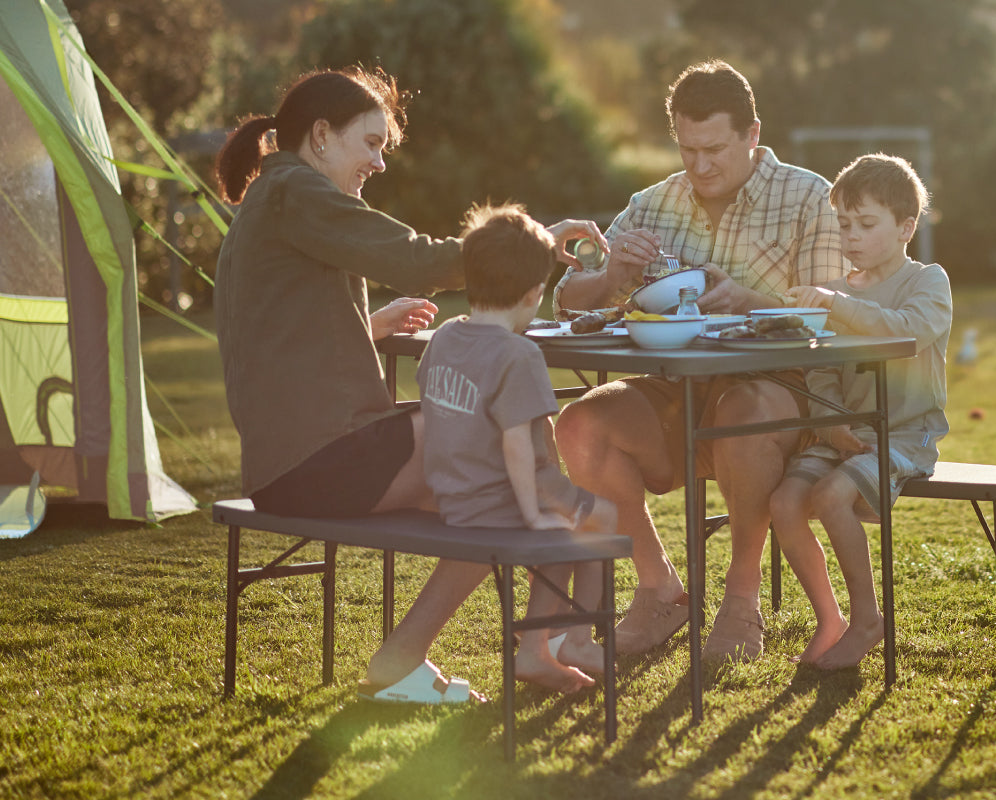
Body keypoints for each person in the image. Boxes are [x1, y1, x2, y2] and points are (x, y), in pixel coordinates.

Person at [213, 65, 605, 703]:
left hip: (289, 463)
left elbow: (264, 335)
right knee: (507, 459)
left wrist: (362, 326)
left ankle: (537, 643)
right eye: (370, 143)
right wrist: (526, 248)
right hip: (315, 463)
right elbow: (415, 258)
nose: (379, 162)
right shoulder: (297, 195)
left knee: (506, 480)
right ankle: (525, 643)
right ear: (320, 136)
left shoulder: (275, 199)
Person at [551, 60, 847, 663]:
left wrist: (749, 300)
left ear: (752, 134)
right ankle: (660, 590)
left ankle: (741, 600)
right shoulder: (652, 202)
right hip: (672, 390)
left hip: (778, 394)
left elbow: (829, 318)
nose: (700, 165)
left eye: (714, 149)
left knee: (740, 412)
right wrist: (613, 274)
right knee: (580, 425)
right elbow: (569, 301)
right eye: (688, 150)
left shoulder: (809, 196)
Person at [413, 202, 618, 695]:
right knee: (600, 517)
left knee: (567, 525)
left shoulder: (443, 338)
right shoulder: (518, 353)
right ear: (534, 294)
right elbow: (518, 449)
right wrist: (532, 513)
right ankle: (572, 640)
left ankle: (538, 649)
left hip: (454, 493)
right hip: (501, 498)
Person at [770, 153, 952, 670]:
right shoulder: (842, 292)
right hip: (846, 433)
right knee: (783, 502)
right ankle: (831, 619)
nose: (851, 236)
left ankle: (868, 618)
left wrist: (834, 303)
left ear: (905, 227)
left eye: (866, 224)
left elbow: (907, 331)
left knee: (830, 494)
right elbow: (824, 366)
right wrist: (834, 419)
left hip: (903, 435)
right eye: (844, 224)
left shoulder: (928, 282)